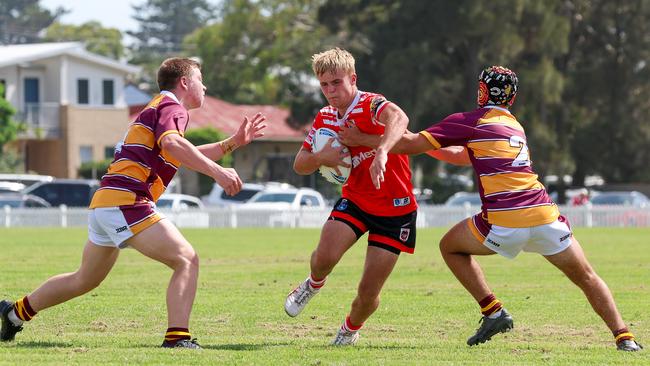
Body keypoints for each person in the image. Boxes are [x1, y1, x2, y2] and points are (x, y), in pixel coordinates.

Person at [339, 65, 642, 352]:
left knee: (450, 247)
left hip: (504, 221)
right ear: (512, 97)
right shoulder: (514, 126)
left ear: (482, 91)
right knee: (587, 276)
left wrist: (362, 139)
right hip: (545, 215)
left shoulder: (470, 120)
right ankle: (624, 337)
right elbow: (462, 156)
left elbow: (410, 144)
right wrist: (431, 146)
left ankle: (493, 311)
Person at [0, 57, 267, 349]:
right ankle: (177, 338)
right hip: (128, 202)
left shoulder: (159, 108)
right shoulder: (171, 107)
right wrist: (218, 172)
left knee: (84, 280)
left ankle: (14, 313)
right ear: (185, 83)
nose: (205, 86)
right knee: (186, 259)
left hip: (107, 202)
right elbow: (173, 145)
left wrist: (232, 143)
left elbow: (180, 151)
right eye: (200, 79)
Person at [284, 48, 417, 346]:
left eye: (336, 82)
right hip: (356, 200)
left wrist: (381, 150)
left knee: (368, 293)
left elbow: (400, 117)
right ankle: (312, 284)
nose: (330, 91)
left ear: (352, 79)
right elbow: (300, 164)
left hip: (396, 211)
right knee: (324, 258)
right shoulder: (325, 117)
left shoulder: (370, 105)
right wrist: (322, 156)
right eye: (324, 85)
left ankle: (349, 330)